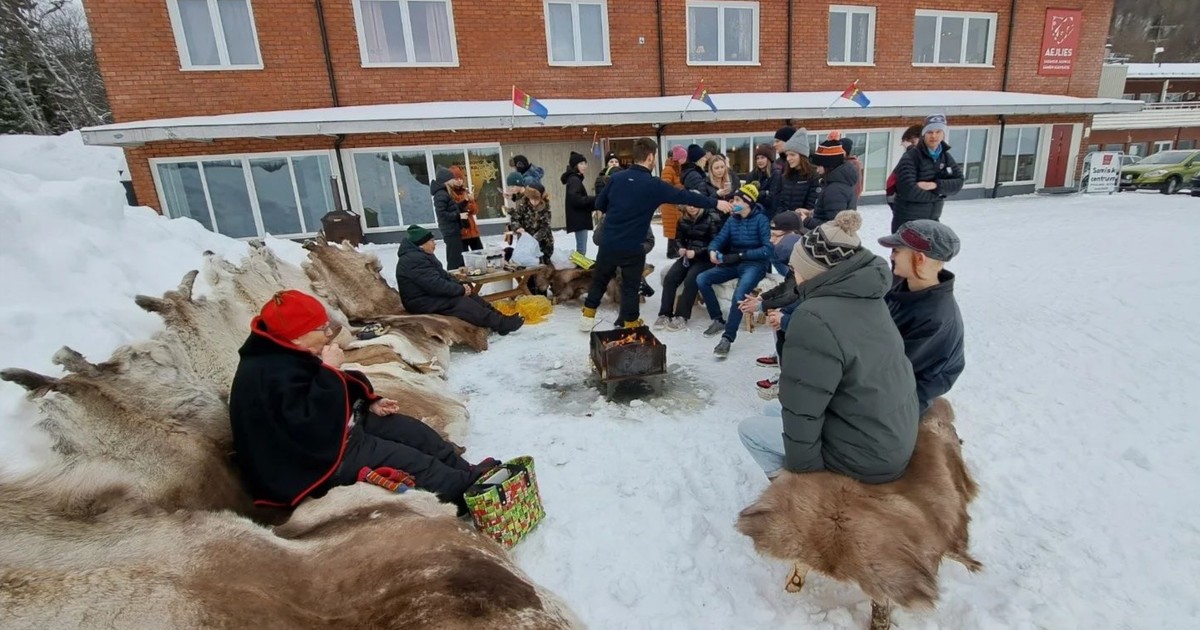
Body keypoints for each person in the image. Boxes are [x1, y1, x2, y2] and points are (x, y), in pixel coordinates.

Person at [229, 289, 501, 514]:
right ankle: (463, 493)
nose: (327, 334)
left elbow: (319, 395)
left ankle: (465, 472)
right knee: (407, 459)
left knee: (411, 432)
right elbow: (307, 423)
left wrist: (368, 401)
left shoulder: (284, 349)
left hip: (334, 433)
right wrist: (330, 372)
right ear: (296, 336)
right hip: (311, 463)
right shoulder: (264, 374)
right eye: (320, 328)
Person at [736, 211, 920, 483]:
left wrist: (808, 479)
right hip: (888, 438)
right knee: (770, 411)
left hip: (863, 458)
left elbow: (803, 408)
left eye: (796, 268)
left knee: (750, 429)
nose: (793, 275)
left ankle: (790, 492)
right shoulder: (868, 296)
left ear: (813, 271)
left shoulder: (813, 317)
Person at [580, 137, 732, 331]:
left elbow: (600, 204)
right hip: (633, 246)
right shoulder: (654, 185)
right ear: (651, 157)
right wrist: (715, 202)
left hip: (609, 241)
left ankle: (587, 317)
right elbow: (685, 196)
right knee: (630, 286)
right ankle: (630, 323)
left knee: (600, 279)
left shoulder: (616, 178)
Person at [877, 220, 965, 413]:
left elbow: (891, 370)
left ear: (920, 259)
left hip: (909, 397)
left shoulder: (934, 317)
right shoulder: (904, 287)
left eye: (897, 251)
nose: (891, 257)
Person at [395, 225, 523, 335]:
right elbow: (436, 285)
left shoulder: (421, 255)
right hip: (420, 301)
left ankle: (500, 320)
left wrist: (460, 284)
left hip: (429, 295)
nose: (435, 243)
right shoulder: (413, 260)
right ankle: (500, 324)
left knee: (471, 294)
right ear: (422, 245)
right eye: (432, 241)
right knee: (460, 302)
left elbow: (442, 276)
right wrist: (460, 290)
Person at [696, 182, 772, 357]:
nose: (733, 202)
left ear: (748, 202)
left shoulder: (761, 220)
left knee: (740, 294)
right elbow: (719, 238)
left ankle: (727, 338)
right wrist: (712, 250)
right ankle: (717, 319)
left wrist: (740, 256)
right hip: (733, 262)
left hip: (754, 264)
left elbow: (768, 250)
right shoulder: (732, 219)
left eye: (737, 199)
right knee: (702, 279)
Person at [653, 203, 723, 332]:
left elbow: (716, 244)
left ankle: (682, 316)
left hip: (706, 259)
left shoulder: (711, 219)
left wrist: (697, 252)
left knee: (691, 279)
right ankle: (665, 313)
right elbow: (678, 239)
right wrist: (680, 248)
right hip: (687, 257)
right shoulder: (682, 219)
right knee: (670, 277)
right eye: (689, 205)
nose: (692, 207)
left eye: (696, 204)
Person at [890, 114, 965, 232]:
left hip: (932, 219)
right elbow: (908, 190)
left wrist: (935, 185)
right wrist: (938, 195)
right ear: (923, 134)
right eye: (930, 132)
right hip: (908, 220)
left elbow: (959, 182)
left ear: (943, 134)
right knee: (904, 251)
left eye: (938, 131)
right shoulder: (911, 157)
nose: (934, 136)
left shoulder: (945, 157)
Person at [801, 139, 859, 230]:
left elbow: (834, 226)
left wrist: (806, 220)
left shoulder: (835, 190)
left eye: (820, 166)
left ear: (829, 166)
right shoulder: (839, 182)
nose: (817, 170)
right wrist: (812, 213)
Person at [772, 133, 821, 220]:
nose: (788, 158)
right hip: (785, 221)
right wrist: (779, 218)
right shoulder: (785, 175)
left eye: (792, 155)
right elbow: (780, 201)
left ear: (802, 156)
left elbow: (811, 205)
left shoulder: (814, 176)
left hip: (803, 223)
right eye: (787, 155)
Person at [431, 167, 469, 270]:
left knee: (459, 258)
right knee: (454, 259)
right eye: (452, 179)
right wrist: (458, 216)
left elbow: (453, 207)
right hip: (450, 231)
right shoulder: (440, 194)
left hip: (454, 230)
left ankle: (461, 283)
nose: (454, 181)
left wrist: (464, 201)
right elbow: (442, 214)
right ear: (446, 180)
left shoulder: (445, 193)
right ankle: (453, 282)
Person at [508, 182, 555, 265]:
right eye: (531, 199)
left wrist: (534, 239)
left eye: (536, 199)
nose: (534, 202)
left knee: (544, 267)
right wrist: (518, 227)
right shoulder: (522, 205)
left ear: (541, 198)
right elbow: (515, 218)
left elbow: (545, 227)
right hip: (526, 242)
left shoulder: (545, 209)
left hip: (543, 243)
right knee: (528, 266)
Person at [562, 152, 596, 256]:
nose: (584, 166)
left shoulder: (574, 179)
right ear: (575, 166)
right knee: (581, 250)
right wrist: (592, 200)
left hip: (579, 218)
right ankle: (578, 270)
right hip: (579, 219)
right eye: (581, 163)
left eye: (585, 163)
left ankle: (578, 269)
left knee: (581, 248)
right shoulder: (574, 180)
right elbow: (575, 199)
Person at [885, 124, 927, 210]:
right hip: (899, 199)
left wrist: (910, 148)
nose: (907, 146)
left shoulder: (920, 156)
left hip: (911, 203)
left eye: (912, 142)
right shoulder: (909, 156)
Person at [660, 145, 687, 259]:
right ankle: (671, 251)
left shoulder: (678, 169)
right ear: (678, 158)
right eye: (683, 158)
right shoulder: (668, 169)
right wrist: (679, 188)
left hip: (676, 203)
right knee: (673, 228)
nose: (685, 160)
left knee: (676, 228)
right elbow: (665, 186)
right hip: (670, 204)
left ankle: (674, 249)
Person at [448, 165, 482, 253]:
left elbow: (475, 211)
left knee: (480, 254)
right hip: (462, 232)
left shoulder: (465, 191)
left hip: (473, 230)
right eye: (456, 179)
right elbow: (460, 208)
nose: (459, 181)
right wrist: (467, 201)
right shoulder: (450, 194)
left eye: (460, 178)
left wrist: (471, 201)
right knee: (464, 257)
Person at [749, 144, 780, 218]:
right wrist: (764, 193)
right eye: (757, 158)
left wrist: (756, 193)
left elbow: (771, 198)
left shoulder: (776, 173)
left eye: (762, 157)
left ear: (768, 159)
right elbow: (748, 195)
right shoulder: (753, 174)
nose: (760, 161)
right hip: (754, 212)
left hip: (770, 214)